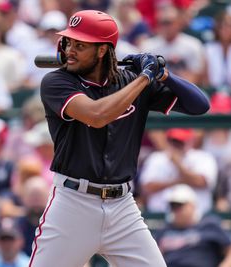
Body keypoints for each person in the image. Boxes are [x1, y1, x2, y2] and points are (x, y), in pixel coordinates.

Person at [31, 9, 210, 267]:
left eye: (80, 45)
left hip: (123, 206)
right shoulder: (56, 82)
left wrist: (163, 74)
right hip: (73, 204)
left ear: (102, 50)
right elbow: (97, 115)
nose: (69, 50)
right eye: (69, 42)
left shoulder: (128, 80)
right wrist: (144, 78)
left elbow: (199, 105)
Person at [154, 184, 231, 267]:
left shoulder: (208, 225)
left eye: (180, 205)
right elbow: (152, 257)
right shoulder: (163, 231)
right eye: (172, 206)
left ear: (192, 205)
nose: (176, 210)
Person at [140, 128, 218, 215]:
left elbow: (201, 182)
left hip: (198, 217)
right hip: (160, 216)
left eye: (181, 141)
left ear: (190, 141)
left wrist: (178, 165)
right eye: (174, 141)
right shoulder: (157, 158)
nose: (177, 144)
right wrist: (177, 181)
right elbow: (147, 187)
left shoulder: (203, 157)